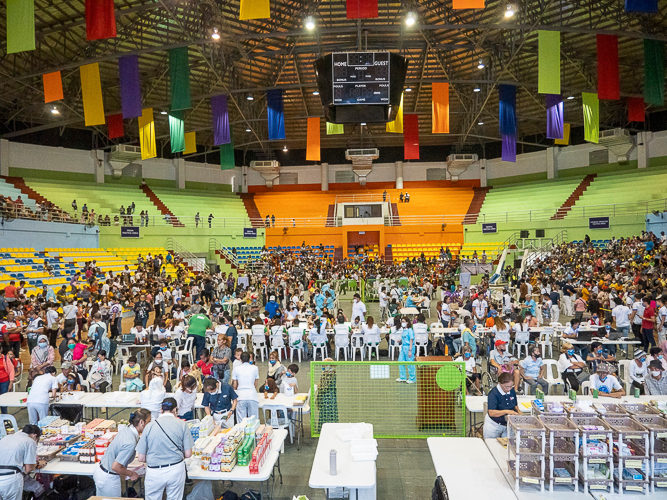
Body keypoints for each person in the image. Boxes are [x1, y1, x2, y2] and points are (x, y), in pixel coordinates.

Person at [136, 397, 194, 500]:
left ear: (161, 409)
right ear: (175, 410)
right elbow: (188, 454)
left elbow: (141, 458)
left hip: (154, 471)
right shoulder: (182, 425)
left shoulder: (149, 426)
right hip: (175, 469)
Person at [94, 408, 151, 497]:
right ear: (141, 422)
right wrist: (131, 474)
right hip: (109, 478)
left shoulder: (128, 429)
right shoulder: (130, 442)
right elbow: (115, 467)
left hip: (101, 471)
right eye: (149, 421)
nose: (150, 425)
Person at [0, 424, 41, 500]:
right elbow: (28, 469)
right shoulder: (30, 441)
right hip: (11, 479)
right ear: (34, 436)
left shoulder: (6, 438)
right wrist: (38, 463)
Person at [483, 372, 520, 439]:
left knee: (507, 446)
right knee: (492, 444)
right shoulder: (493, 393)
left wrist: (520, 414)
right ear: (500, 384)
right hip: (494, 425)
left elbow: (515, 406)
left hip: (508, 425)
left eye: (511, 386)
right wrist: (507, 411)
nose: (509, 389)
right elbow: (491, 413)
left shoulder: (512, 391)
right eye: (506, 387)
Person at [232, 351, 259, 419]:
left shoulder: (236, 369)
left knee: (241, 421)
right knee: (253, 420)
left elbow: (235, 385)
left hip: (240, 396)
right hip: (252, 395)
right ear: (250, 359)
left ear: (240, 359)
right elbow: (255, 383)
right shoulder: (255, 368)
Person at [315, 358, 338, 432]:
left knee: (326, 413)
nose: (323, 367)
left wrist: (318, 387)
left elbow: (324, 387)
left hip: (327, 398)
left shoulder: (329, 375)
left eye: (324, 365)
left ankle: (326, 429)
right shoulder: (328, 374)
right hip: (327, 397)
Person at [396, 315, 416, 384]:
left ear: (407, 322)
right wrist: (400, 340)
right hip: (403, 347)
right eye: (402, 322)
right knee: (400, 361)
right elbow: (404, 337)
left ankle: (412, 378)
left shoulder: (410, 330)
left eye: (404, 321)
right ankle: (403, 377)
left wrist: (410, 350)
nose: (402, 323)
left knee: (410, 363)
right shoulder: (404, 330)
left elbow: (411, 340)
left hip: (409, 347)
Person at [0, 345, 18, 414]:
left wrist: (11, 382)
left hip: (4, 382)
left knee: (4, 401)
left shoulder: (5, 358)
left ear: (0, 350)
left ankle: (5, 417)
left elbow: (11, 371)